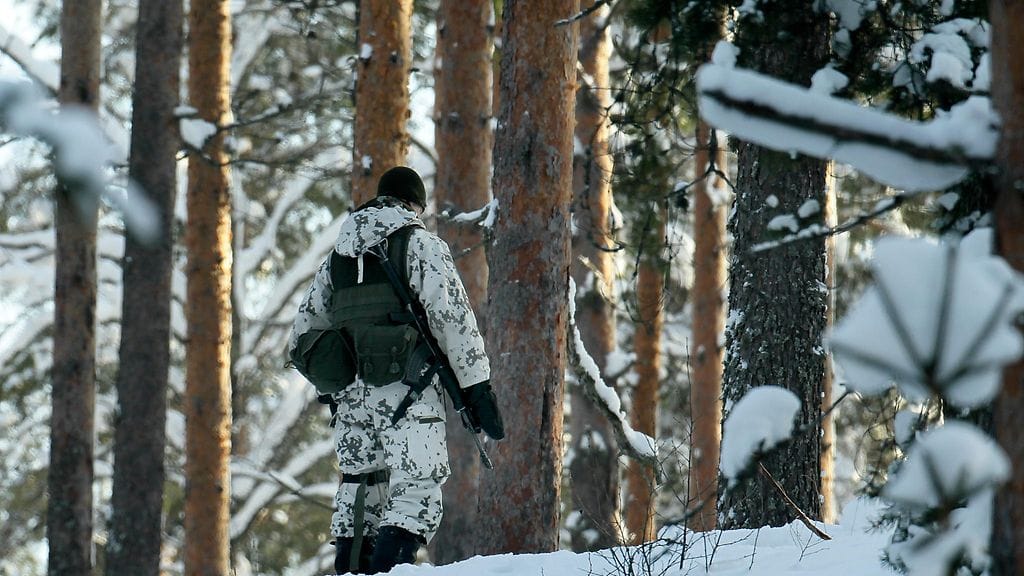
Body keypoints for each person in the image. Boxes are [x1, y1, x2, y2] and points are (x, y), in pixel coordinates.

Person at [288, 166, 504, 574]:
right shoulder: (420, 244)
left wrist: (337, 382)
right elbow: (453, 320)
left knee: (360, 490)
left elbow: (304, 334)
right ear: (414, 205)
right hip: (409, 388)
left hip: (350, 399)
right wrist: (477, 389)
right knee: (416, 491)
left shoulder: (338, 258)